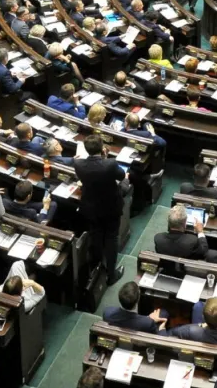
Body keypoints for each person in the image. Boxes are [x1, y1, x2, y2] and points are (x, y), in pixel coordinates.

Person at [75, 134, 127, 283]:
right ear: (102, 148)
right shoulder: (109, 164)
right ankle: (111, 275)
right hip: (110, 207)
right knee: (111, 238)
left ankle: (97, 268)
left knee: (95, 235)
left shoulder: (78, 164)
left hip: (90, 207)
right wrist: (105, 158)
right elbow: (122, 175)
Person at [102, 282, 167, 333]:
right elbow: (153, 332)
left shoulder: (107, 312)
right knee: (164, 313)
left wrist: (148, 318)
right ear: (138, 300)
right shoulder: (148, 323)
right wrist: (151, 320)